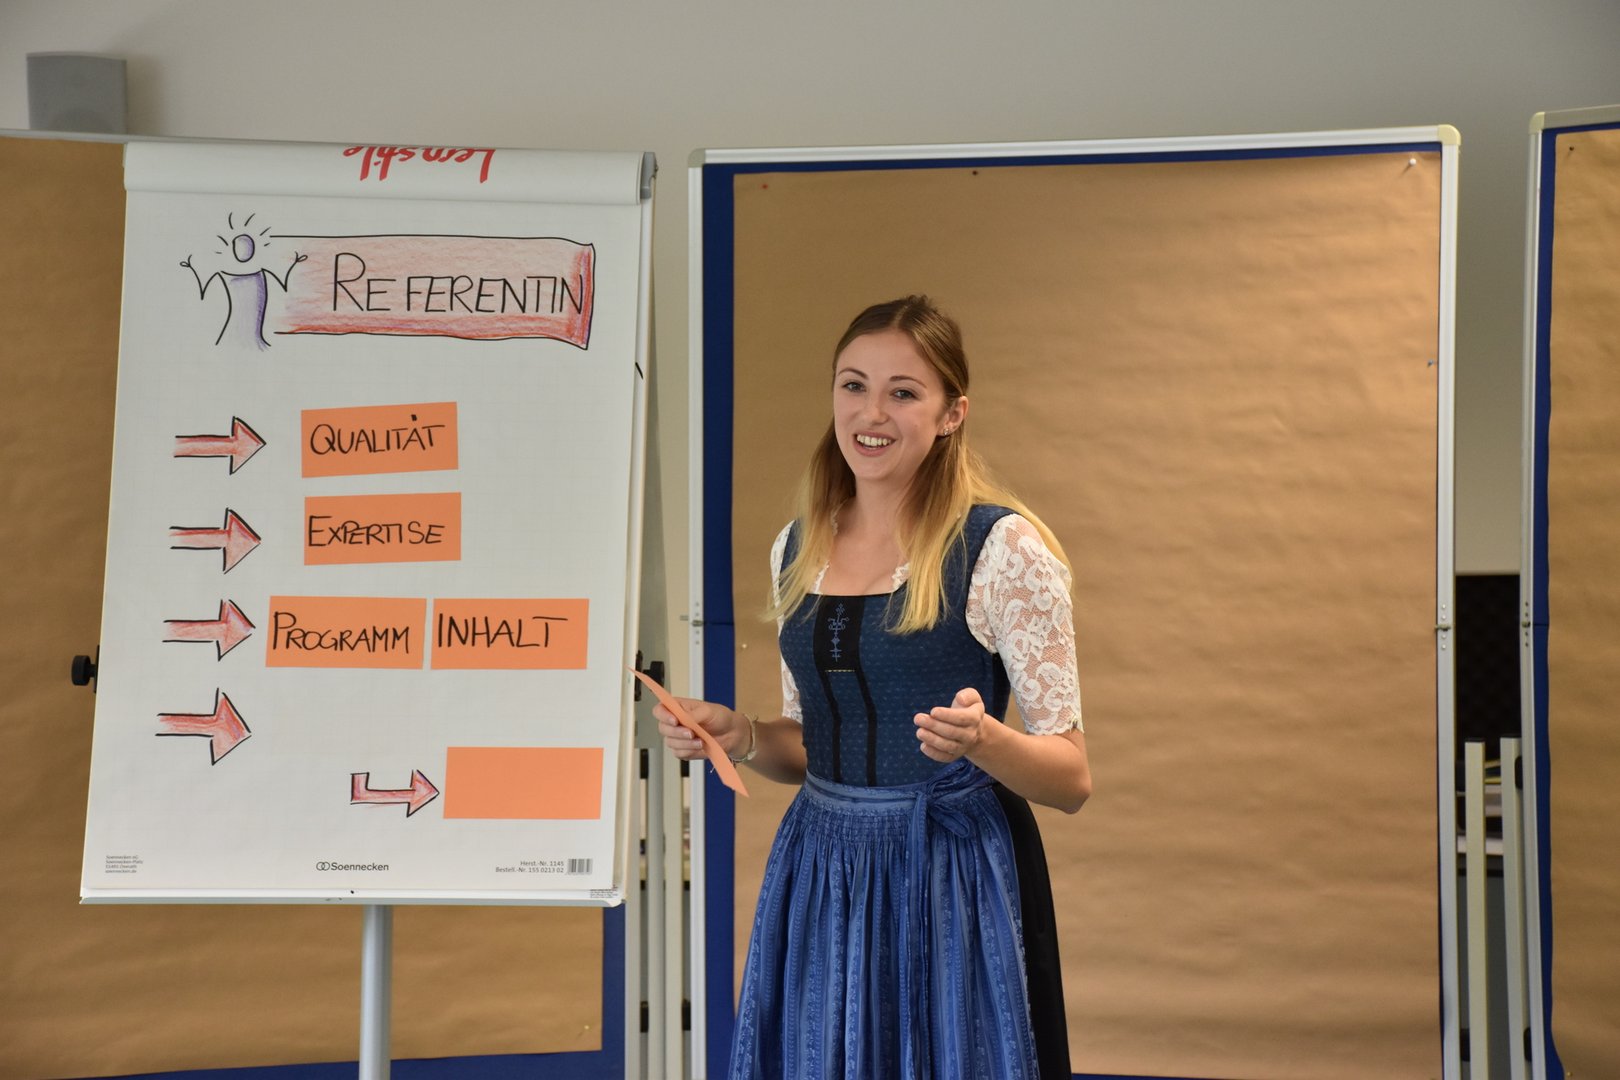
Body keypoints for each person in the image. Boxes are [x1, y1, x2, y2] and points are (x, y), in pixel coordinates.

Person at [657, 295, 1091, 1079]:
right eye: (854, 385)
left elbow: (1071, 779)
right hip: (822, 868)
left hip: (950, 875)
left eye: (904, 392)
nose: (872, 413)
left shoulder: (1001, 548)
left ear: (952, 414)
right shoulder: (798, 545)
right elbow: (808, 747)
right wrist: (743, 735)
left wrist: (985, 741)